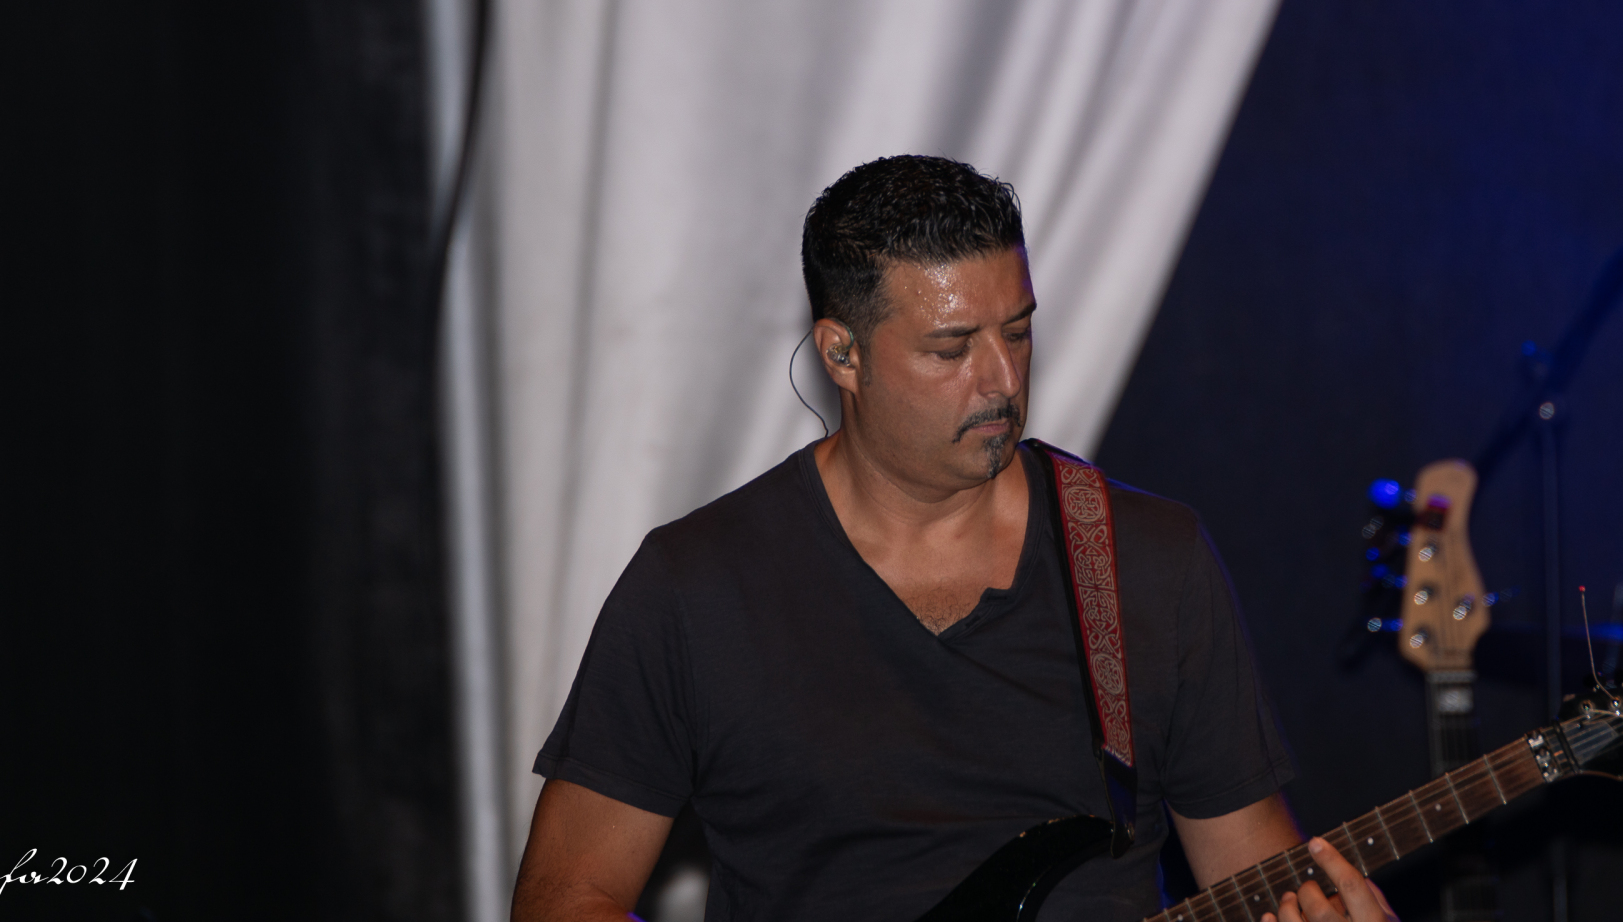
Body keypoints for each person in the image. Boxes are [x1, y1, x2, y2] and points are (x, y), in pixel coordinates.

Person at [511, 156, 1396, 922]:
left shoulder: (1147, 559)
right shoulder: (698, 586)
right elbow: (562, 896)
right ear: (842, 354)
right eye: (950, 348)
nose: (1002, 378)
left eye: (1018, 330)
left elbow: (1253, 872)